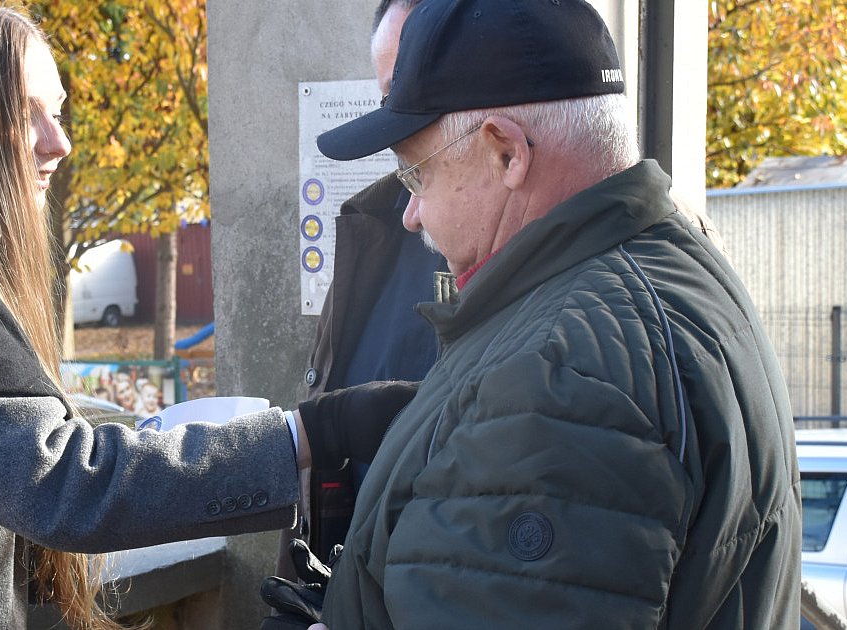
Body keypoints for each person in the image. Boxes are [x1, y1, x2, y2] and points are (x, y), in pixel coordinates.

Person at [0, 2, 416, 628]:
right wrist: (308, 433)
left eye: (56, 111)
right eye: (26, 111)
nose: (58, 142)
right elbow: (67, 484)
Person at [274, 0, 802, 627]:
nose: (412, 214)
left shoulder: (555, 377)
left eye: (416, 175)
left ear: (506, 153)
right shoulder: (677, 263)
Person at [293, 0, 442, 564]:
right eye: (388, 94)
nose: (396, 120)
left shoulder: (590, 286)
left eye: (417, 88)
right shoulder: (376, 220)